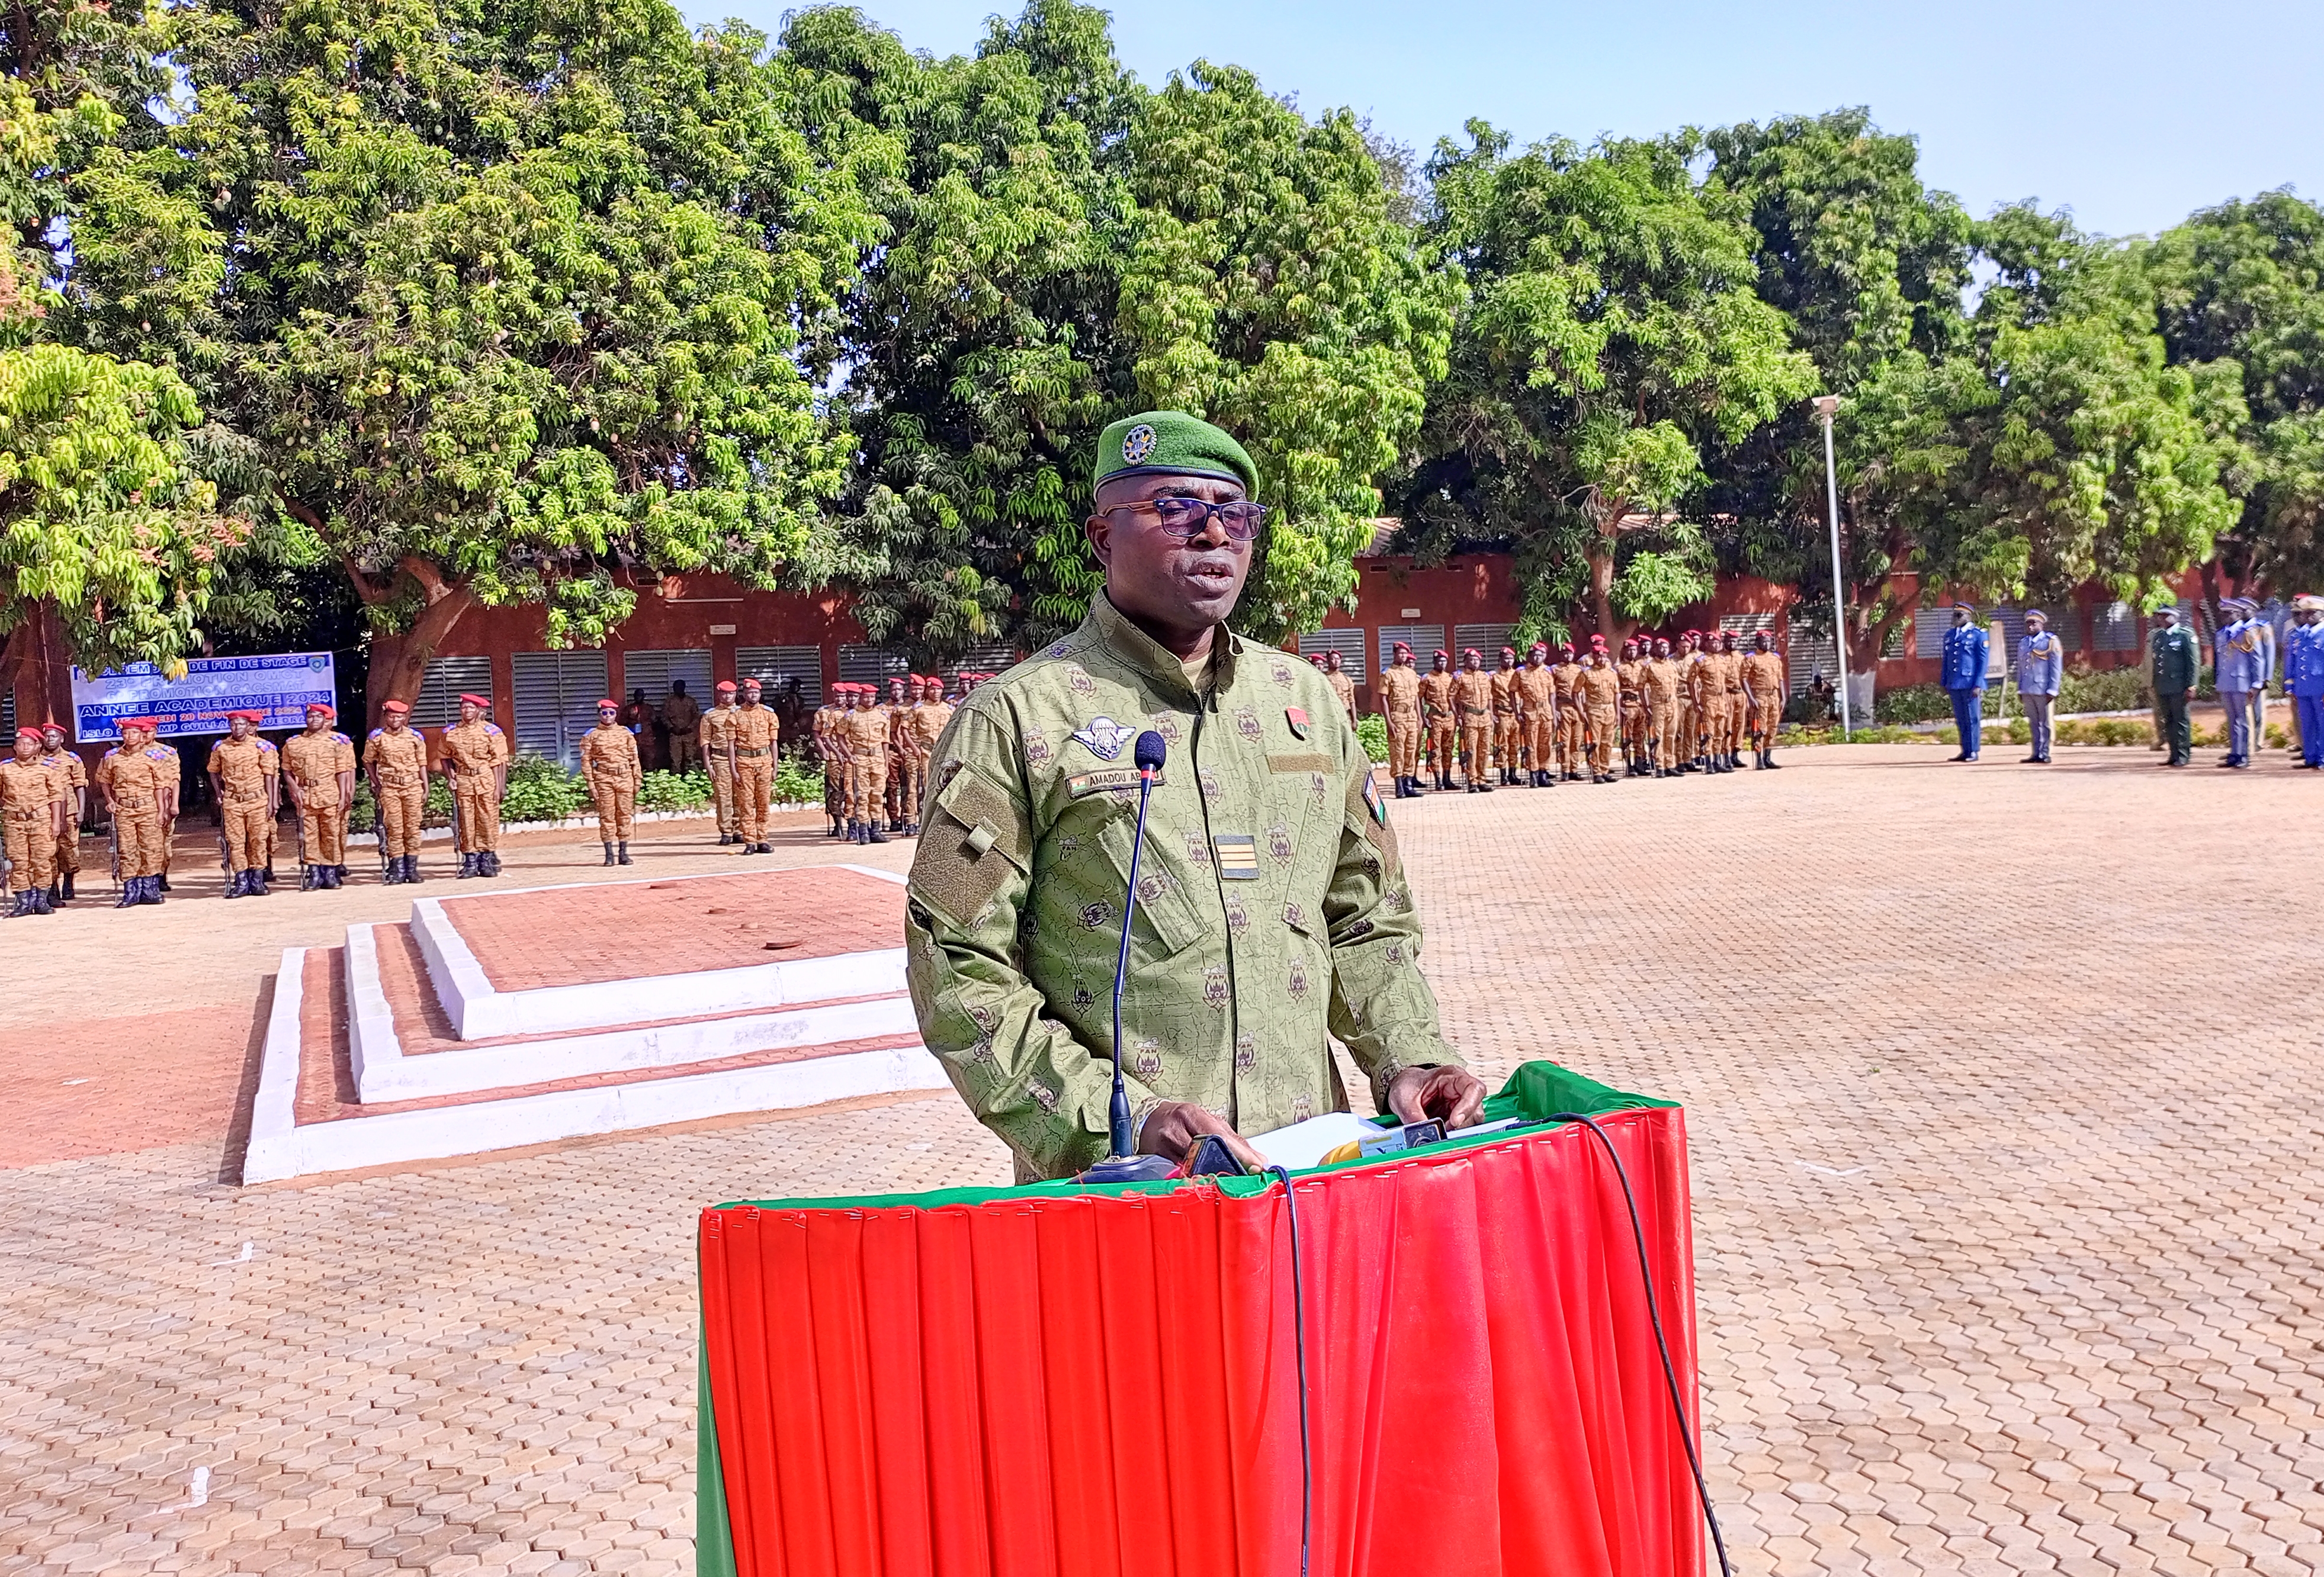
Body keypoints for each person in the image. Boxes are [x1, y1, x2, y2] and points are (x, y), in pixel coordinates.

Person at [905, 409, 1486, 1181]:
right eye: (1176, 508)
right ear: (1103, 536)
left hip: (1308, 1176)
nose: (1215, 534)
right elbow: (956, 958)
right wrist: (1118, 1119)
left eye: (1236, 513)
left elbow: (1367, 916)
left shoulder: (1306, 703)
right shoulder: (1018, 718)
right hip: (1122, 1192)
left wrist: (1409, 1056)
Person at [97, 718, 174, 905]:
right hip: (125, 809)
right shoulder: (113, 758)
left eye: (133, 733)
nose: (129, 736)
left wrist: (162, 810)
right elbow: (104, 780)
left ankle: (150, 890)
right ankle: (131, 891)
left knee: (150, 848)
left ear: (142, 736)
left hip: (148, 808)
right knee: (127, 849)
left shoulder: (154, 757)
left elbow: (161, 785)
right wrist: (110, 801)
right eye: (125, 733)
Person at [281, 702, 356, 888]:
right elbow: (287, 770)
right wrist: (295, 789)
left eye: (318, 717)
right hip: (306, 796)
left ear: (325, 720)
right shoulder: (294, 744)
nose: (314, 720)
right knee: (309, 836)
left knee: (331, 834)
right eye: (310, 717)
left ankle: (330, 872)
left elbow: (343, 771)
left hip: (329, 793)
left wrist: (343, 796)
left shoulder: (336, 743)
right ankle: (314, 873)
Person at [208, 711, 281, 898]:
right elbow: (213, 771)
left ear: (248, 726)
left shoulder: (261, 747)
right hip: (233, 801)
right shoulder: (221, 748)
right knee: (236, 842)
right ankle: (241, 881)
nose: (237, 728)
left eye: (241, 724)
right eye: (233, 724)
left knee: (258, 840)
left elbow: (270, 776)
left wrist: (271, 801)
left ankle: (257, 880)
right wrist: (219, 793)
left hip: (256, 800)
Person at [440, 693, 509, 877]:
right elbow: (445, 757)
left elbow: (499, 761)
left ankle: (487, 859)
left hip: (486, 778)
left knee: (488, 819)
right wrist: (451, 777)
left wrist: (500, 787)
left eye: (471, 708)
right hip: (464, 779)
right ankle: (470, 859)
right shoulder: (451, 732)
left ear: (479, 710)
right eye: (464, 708)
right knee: (466, 821)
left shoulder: (491, 731)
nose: (467, 711)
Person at [364, 701, 430, 884]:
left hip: (412, 786)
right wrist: (375, 781)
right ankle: (398, 869)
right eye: (392, 716)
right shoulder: (377, 737)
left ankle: (412, 869)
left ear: (405, 718)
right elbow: (368, 761)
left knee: (413, 827)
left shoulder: (415, 737)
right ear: (386, 717)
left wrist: (426, 786)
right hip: (390, 787)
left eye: (399, 716)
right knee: (394, 828)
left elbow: (422, 763)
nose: (395, 719)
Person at [2, 727, 65, 916]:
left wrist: (56, 823)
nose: (24, 748)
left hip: (41, 821)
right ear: (15, 747)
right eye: (20, 744)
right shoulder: (5, 769)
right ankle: (22, 901)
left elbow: (56, 797)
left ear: (38, 746)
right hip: (15, 822)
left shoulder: (48, 768)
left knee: (42, 861)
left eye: (29, 744)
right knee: (19, 861)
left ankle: (41, 900)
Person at [580, 698, 643, 865]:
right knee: (607, 816)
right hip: (604, 779)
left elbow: (635, 759)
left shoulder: (626, 733)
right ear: (599, 715)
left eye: (611, 713)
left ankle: (624, 852)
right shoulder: (591, 736)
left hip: (624, 778)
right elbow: (586, 761)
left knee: (624, 815)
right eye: (605, 713)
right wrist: (591, 784)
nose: (608, 716)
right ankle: (609, 854)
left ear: (616, 715)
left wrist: (637, 780)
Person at [727, 676, 779, 853]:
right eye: (750, 692)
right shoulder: (736, 715)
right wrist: (733, 769)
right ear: (744, 694)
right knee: (746, 803)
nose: (753, 695)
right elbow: (731, 745)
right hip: (744, 762)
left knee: (764, 801)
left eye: (756, 692)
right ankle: (750, 840)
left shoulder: (769, 714)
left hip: (764, 762)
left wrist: (775, 767)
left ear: (760, 694)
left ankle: (762, 839)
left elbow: (773, 743)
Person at [36, 723, 84, 905]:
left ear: (62, 739)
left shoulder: (72, 759)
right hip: (45, 812)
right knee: (50, 851)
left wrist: (80, 811)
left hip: (70, 811)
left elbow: (80, 786)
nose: (50, 739)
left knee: (69, 849)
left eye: (54, 736)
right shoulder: (37, 759)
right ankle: (53, 887)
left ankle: (69, 884)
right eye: (47, 736)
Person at [2214, 598, 2264, 769]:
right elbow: (2219, 662)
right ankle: (2235, 753)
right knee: (2232, 720)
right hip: (2225, 682)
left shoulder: (2247, 633)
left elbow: (2257, 659)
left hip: (2242, 682)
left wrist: (2257, 683)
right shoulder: (2221, 634)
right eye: (2223, 613)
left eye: (2228, 613)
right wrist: (2217, 682)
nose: (2224, 617)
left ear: (2237, 614)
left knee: (2242, 719)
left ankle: (2244, 755)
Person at [842, 682, 894, 843]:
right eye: (866, 697)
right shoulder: (851, 716)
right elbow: (840, 735)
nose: (870, 700)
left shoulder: (882, 716)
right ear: (861, 698)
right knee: (862, 795)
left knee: (878, 795)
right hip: (860, 758)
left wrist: (886, 763)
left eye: (872, 697)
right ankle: (863, 830)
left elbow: (886, 741)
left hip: (878, 758)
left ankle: (876, 830)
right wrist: (848, 754)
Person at [2149, 605, 2200, 767]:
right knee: (2168, 721)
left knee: (2181, 721)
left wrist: (2192, 685)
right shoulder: (2159, 637)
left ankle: (2183, 755)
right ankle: (2173, 754)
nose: (2160, 619)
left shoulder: (2185, 635)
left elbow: (2193, 663)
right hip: (2163, 685)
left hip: (2179, 686)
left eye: (2164, 616)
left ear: (2174, 617)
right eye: (2159, 616)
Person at [901, 675, 953, 833]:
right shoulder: (919, 709)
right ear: (928, 691)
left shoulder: (949, 709)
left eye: (938, 689)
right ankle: (914, 821)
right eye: (932, 689)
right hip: (925, 752)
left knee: (945, 785)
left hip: (945, 753)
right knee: (923, 787)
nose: (935, 692)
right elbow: (904, 728)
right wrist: (914, 748)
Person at [1940, 603, 1990, 762]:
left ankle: (1974, 751)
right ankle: (1965, 749)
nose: (1955, 618)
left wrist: (1978, 684)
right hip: (1955, 683)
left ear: (1969, 616)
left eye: (1959, 615)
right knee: (1961, 718)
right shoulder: (1950, 635)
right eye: (1954, 615)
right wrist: (1944, 682)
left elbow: (1982, 661)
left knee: (1972, 718)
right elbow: (1946, 661)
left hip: (1970, 683)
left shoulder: (1978, 634)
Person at [2014, 611, 2065, 765]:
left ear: (2042, 625)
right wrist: (2020, 688)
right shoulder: (2024, 643)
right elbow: (2021, 669)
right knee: (2034, 723)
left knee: (2045, 723)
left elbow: (2056, 668)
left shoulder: (2050, 641)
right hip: (2028, 688)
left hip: (2043, 689)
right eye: (2028, 623)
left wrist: (2053, 690)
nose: (2030, 626)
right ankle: (2036, 753)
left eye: (2034, 623)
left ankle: (2045, 753)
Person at [1378, 641, 1423, 796]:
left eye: (1405, 654)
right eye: (1400, 653)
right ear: (1395, 654)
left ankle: (1408, 784)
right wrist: (1389, 721)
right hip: (1397, 716)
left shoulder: (1411, 674)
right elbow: (1383, 699)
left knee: (1411, 750)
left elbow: (1416, 697)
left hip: (1412, 717)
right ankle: (1399, 786)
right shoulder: (1388, 674)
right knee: (1398, 751)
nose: (1403, 656)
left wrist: (1419, 718)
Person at [2286, 595, 2324, 768]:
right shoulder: (2300, 635)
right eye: (2304, 613)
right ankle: (2310, 757)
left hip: (2320, 686)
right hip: (2303, 687)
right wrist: (2291, 685)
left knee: (2322, 723)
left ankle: (2322, 758)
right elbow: (2293, 662)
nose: (2306, 616)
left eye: (2311, 613)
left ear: (2321, 614)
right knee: (2307, 723)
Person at [1741, 631, 1787, 769]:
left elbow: (1780, 679)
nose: (1766, 643)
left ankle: (1768, 758)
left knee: (1773, 727)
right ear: (1757, 643)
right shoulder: (1751, 658)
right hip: (1759, 696)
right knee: (1760, 728)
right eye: (1763, 641)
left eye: (1769, 641)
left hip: (1774, 696)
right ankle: (1759, 759)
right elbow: (1744, 679)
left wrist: (1783, 697)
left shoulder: (1775, 658)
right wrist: (1751, 698)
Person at [701, 680, 740, 844]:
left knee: (742, 795)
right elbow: (705, 741)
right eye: (724, 693)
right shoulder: (710, 715)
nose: (728, 696)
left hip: (741, 758)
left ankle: (740, 830)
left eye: (731, 693)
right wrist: (708, 765)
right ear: (719, 694)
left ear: (736, 694)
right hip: (721, 759)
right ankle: (726, 831)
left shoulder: (743, 713)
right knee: (723, 796)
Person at [1452, 648, 1494, 792]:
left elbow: (1489, 697)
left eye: (1477, 660)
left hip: (1484, 717)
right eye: (1471, 660)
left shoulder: (1484, 677)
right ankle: (1472, 780)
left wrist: (1491, 714)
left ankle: (1482, 778)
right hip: (1470, 717)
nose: (1475, 662)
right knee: (1471, 750)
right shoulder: (1460, 677)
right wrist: (1457, 715)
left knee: (1484, 749)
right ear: (1465, 661)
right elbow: (1451, 697)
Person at [1515, 642, 1556, 787]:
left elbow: (1552, 694)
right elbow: (1512, 691)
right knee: (1532, 744)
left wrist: (1553, 712)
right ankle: (1533, 775)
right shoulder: (1521, 673)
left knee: (1545, 744)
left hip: (1546, 712)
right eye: (1535, 655)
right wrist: (1516, 712)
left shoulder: (1547, 672)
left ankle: (1543, 774)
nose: (1538, 658)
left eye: (1540, 655)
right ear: (1529, 656)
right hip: (1530, 711)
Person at [1580, 640, 1620, 782]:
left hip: (1609, 710)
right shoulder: (1586, 673)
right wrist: (1582, 711)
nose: (1601, 659)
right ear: (1594, 657)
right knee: (1595, 742)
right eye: (1599, 656)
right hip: (1594, 710)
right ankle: (1596, 771)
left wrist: (1618, 712)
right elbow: (1576, 692)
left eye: (1604, 657)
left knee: (1607, 742)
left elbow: (1616, 693)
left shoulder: (1611, 674)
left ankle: (1605, 769)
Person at [810, 683, 847, 837]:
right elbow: (817, 735)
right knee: (834, 791)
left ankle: (855, 824)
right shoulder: (824, 713)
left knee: (852, 791)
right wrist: (824, 751)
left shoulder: (853, 711)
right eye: (838, 695)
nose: (841, 698)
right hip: (834, 758)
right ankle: (837, 824)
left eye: (843, 696)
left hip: (853, 756)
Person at [1643, 637, 1683, 776]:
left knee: (1671, 734)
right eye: (1661, 647)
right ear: (1655, 649)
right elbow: (1641, 687)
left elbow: (1676, 684)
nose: (1664, 650)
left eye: (1666, 647)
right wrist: (1645, 705)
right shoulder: (1650, 666)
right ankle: (1660, 765)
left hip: (1672, 704)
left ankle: (1670, 764)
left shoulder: (1672, 665)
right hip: (1658, 704)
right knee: (1658, 736)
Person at [1419, 650, 1457, 792]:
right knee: (1436, 750)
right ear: (1434, 662)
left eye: (1444, 661)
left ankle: (1447, 778)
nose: (1442, 663)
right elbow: (1419, 698)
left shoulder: (1450, 678)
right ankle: (1438, 780)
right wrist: (1423, 717)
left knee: (1448, 749)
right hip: (1435, 718)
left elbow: (1456, 698)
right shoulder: (1427, 679)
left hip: (1449, 718)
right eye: (1439, 661)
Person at [1552, 643, 1586, 781]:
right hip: (1563, 706)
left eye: (1570, 653)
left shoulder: (1579, 669)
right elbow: (1552, 692)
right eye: (1565, 653)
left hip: (1577, 708)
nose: (1567, 655)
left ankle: (1574, 769)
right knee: (1564, 741)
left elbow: (1582, 690)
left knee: (1577, 741)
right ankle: (1565, 770)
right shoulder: (1555, 670)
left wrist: (1584, 709)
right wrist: (1555, 710)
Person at [1489, 646, 1521, 786]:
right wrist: (1492, 713)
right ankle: (1503, 775)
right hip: (1502, 713)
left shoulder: (1518, 674)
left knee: (1515, 745)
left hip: (1515, 714)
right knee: (1503, 745)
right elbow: (1488, 696)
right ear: (1500, 660)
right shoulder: (1494, 676)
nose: (1508, 661)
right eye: (1505, 658)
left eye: (1511, 658)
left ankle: (1513, 773)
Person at [661, 680, 702, 773]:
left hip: (688, 734)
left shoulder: (691, 701)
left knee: (690, 758)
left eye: (680, 687)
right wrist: (671, 727)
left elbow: (696, 717)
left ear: (684, 687)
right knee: (675, 759)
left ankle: (690, 778)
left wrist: (689, 728)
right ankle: (676, 779)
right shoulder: (669, 702)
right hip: (675, 734)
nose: (678, 689)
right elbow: (664, 717)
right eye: (676, 687)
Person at [1323, 648, 1358, 728]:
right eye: (1333, 659)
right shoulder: (1324, 678)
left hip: (1345, 714)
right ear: (1328, 661)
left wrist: (1354, 720)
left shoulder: (1346, 679)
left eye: (1338, 659)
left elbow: (1351, 700)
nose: (1336, 661)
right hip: (1330, 714)